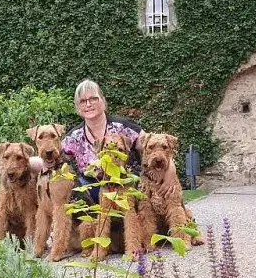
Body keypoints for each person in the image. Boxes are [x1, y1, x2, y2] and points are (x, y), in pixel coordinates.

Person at [28, 79, 176, 203]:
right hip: (93, 191)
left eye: (93, 98)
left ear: (103, 101)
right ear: (78, 107)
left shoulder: (123, 127)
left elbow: (156, 146)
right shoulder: (74, 136)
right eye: (83, 101)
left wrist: (171, 170)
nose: (88, 104)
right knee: (77, 188)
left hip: (127, 185)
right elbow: (53, 156)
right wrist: (27, 162)